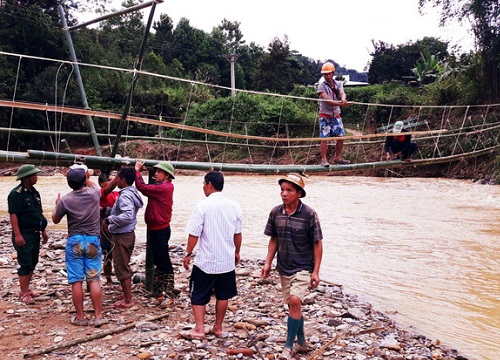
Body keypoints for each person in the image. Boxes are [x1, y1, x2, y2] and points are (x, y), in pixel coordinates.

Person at [261, 173, 323, 360]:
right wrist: (267, 262)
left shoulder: (310, 214)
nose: (284, 194)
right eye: (282, 190)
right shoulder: (275, 212)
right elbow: (274, 239)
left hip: (304, 265)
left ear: (299, 193)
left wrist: (316, 271)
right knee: (293, 306)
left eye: (289, 190)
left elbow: (317, 243)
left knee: (295, 301)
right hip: (284, 266)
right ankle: (302, 343)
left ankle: (289, 347)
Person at [182, 171, 242, 340]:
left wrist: (188, 253)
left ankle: (199, 328)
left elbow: (194, 233)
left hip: (206, 262)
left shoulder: (203, 205)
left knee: (198, 294)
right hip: (226, 261)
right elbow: (238, 234)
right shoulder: (234, 206)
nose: (203, 187)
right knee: (223, 295)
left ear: (209, 184)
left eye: (203, 184)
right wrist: (237, 252)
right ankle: (218, 327)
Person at [52, 164, 107, 327]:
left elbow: (55, 219)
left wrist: (57, 204)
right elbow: (94, 185)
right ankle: (98, 316)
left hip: (74, 240)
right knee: (94, 279)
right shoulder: (94, 193)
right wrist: (86, 177)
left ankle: (81, 317)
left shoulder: (65, 200)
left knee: (76, 280)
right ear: (84, 180)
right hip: (92, 240)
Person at [134, 160, 176, 306]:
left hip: (160, 230)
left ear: (166, 175)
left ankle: (169, 294)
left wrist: (137, 170)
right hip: (156, 228)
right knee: (159, 261)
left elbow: (141, 187)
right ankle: (158, 292)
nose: (156, 174)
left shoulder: (164, 188)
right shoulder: (161, 187)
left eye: (159, 172)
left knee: (164, 261)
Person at [102, 167, 143, 309]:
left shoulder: (125, 195)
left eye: (117, 178)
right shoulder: (131, 192)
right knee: (124, 264)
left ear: (123, 180)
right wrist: (107, 212)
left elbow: (127, 215)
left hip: (122, 235)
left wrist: (109, 220)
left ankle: (128, 299)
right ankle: (127, 294)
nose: (115, 180)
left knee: (120, 266)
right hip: (128, 233)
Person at [8, 164, 49, 305]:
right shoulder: (16, 194)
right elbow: (13, 215)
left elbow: (39, 214)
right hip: (24, 233)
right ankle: (23, 292)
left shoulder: (35, 193)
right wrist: (18, 235)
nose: (36, 177)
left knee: (33, 262)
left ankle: (27, 289)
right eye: (34, 175)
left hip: (35, 233)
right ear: (26, 178)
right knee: (25, 263)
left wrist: (43, 231)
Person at [317, 62, 351, 167]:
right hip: (325, 115)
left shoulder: (338, 84)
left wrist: (343, 99)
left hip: (336, 115)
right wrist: (341, 104)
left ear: (332, 73)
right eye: (325, 74)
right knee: (324, 138)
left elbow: (342, 93)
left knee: (341, 136)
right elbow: (327, 100)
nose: (327, 76)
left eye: (328, 74)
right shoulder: (321, 86)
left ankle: (338, 158)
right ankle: (324, 160)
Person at [98, 171, 119, 288]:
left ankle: (116, 278)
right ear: (102, 183)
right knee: (106, 255)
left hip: (115, 229)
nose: (112, 183)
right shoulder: (99, 195)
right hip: (103, 231)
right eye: (109, 181)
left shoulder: (117, 194)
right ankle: (108, 280)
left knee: (115, 256)